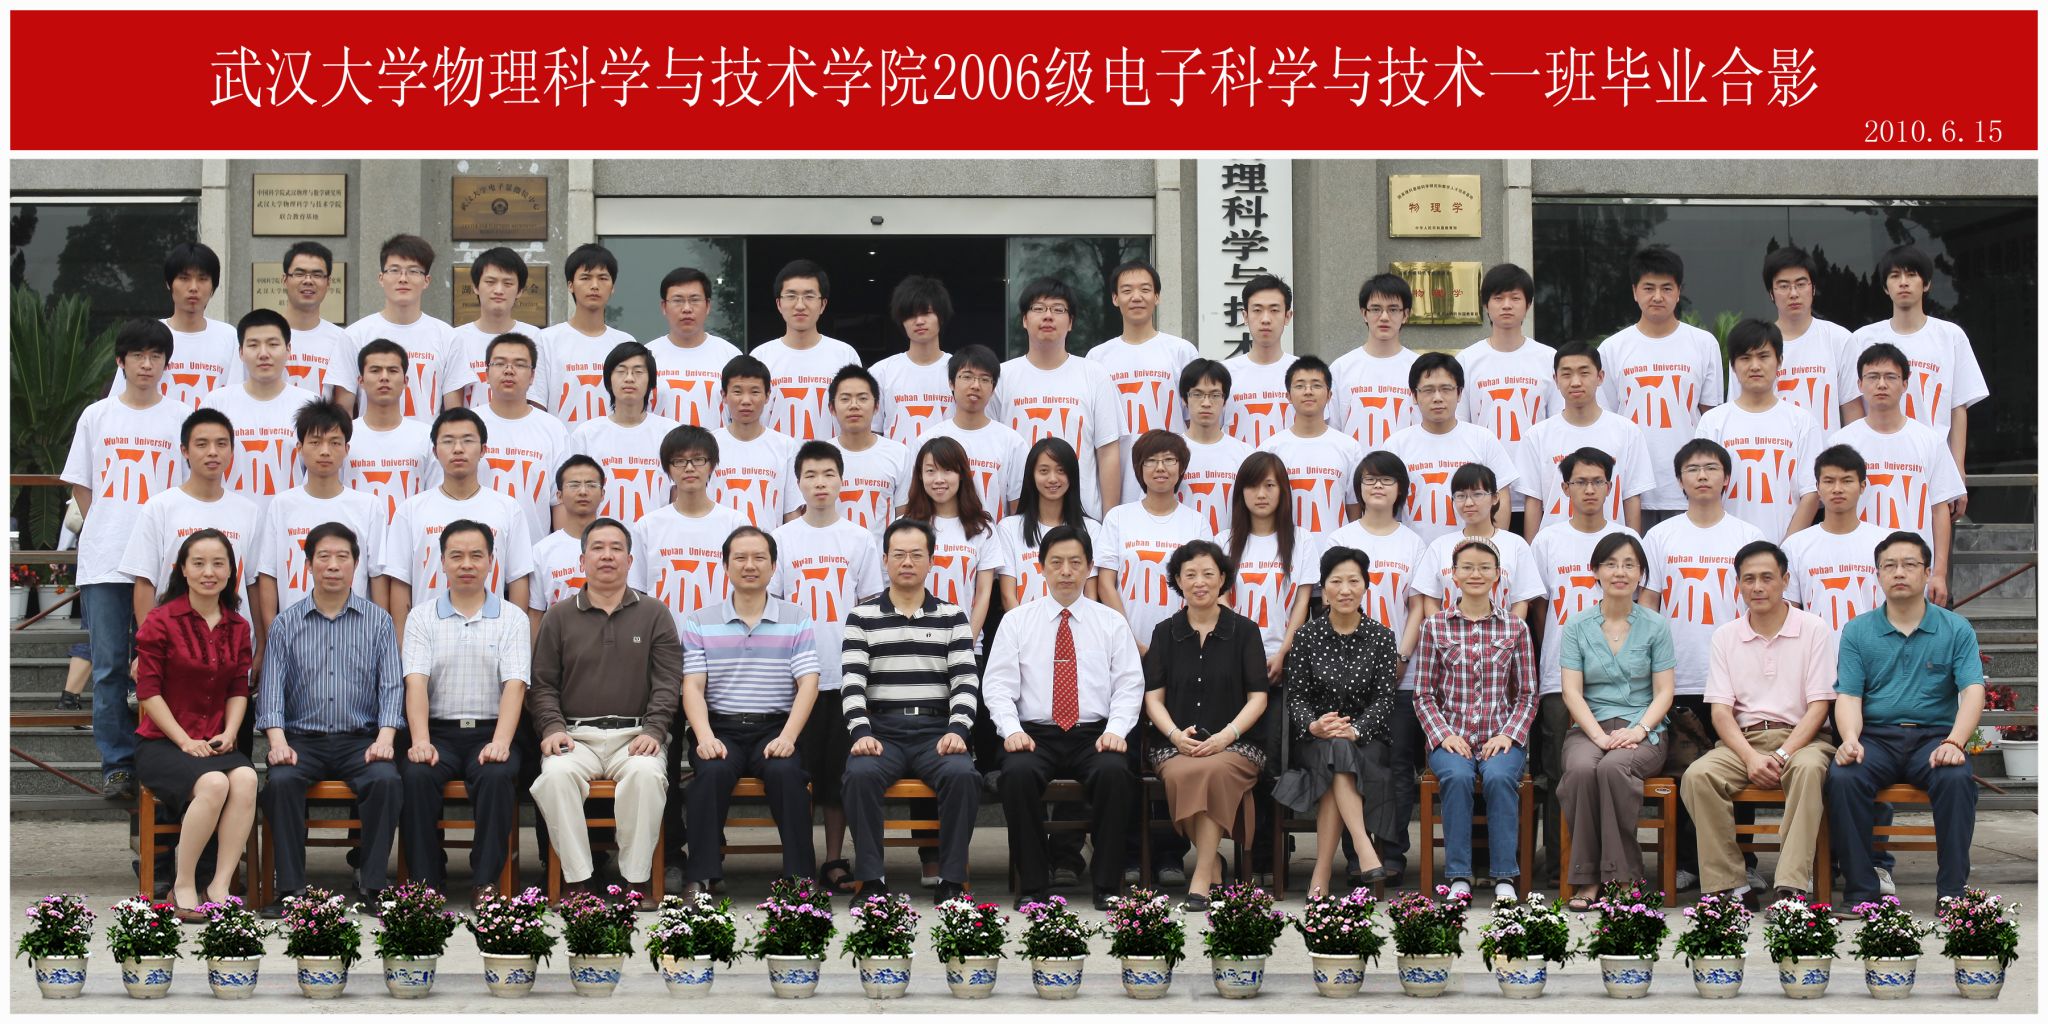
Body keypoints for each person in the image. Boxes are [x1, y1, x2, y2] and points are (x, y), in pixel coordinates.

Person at [1824, 530, 1984, 915]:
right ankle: (1861, 893)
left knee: (1957, 778)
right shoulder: (1858, 630)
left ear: (1927, 572)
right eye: (1890, 565)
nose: (1899, 572)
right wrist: (1850, 738)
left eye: (1910, 564)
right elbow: (1849, 695)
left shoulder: (1955, 628)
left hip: (1934, 739)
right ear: (1877, 574)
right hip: (1875, 739)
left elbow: (1972, 690)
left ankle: (1952, 893)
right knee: (1844, 777)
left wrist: (1955, 742)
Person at [984, 525, 1143, 910]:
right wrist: (1011, 730)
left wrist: (1117, 730)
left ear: (1089, 567)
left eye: (1075, 562)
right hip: (1034, 734)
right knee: (1016, 775)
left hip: (1094, 734)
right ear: (1041, 568)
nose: (1066, 571)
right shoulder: (1017, 621)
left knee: (1115, 773)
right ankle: (1034, 887)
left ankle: (1107, 886)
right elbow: (998, 685)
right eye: (1056, 562)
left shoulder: (1111, 622)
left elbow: (1129, 684)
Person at [63, 320, 189, 800]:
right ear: (121, 361)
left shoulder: (182, 416)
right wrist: (108, 525)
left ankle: (166, 757)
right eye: (137, 355)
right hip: (106, 560)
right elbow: (82, 484)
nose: (146, 364)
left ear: (166, 363)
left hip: (166, 566)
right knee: (110, 666)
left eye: (155, 356)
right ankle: (117, 765)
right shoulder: (97, 416)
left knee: (167, 665)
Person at [527, 517, 682, 903]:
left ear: (630, 560)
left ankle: (635, 881)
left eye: (616, 548)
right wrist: (552, 728)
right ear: (583, 561)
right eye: (597, 548)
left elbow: (667, 682)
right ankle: (579, 881)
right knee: (555, 777)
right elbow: (542, 684)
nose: (607, 556)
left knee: (647, 776)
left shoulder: (654, 613)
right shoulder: (559, 616)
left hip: (635, 735)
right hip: (575, 736)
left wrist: (654, 730)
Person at [255, 523, 405, 913]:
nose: (333, 565)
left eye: (342, 557)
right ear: (308, 565)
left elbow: (392, 686)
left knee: (386, 781)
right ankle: (291, 889)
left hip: (361, 740)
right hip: (302, 741)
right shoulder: (286, 623)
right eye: (324, 557)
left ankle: (373, 885)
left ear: (356, 565)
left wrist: (385, 738)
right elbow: (271, 691)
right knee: (280, 783)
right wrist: (277, 743)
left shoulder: (379, 622)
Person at [1681, 541, 1838, 907]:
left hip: (1802, 739)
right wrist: (1751, 757)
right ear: (1738, 584)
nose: (1758, 587)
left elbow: (1819, 707)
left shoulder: (1813, 629)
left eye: (1767, 577)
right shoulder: (1726, 636)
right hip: (1744, 741)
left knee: (1809, 770)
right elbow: (1721, 712)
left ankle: (1790, 887)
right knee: (1698, 776)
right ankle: (1730, 886)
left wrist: (1783, 754)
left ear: (1785, 580)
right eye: (1748, 579)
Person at [839, 518, 983, 904]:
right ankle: (871, 881)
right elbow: (852, 683)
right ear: (885, 560)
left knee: (963, 775)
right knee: (859, 776)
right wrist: (861, 732)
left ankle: (951, 881)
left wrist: (958, 730)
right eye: (899, 554)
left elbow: (966, 682)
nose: (907, 562)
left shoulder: (953, 616)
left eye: (916, 555)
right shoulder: (861, 617)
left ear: (931, 561)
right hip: (881, 730)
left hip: (936, 731)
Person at [679, 526, 821, 891]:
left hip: (774, 728)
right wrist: (704, 737)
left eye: (759, 558)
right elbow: (692, 686)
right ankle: (702, 877)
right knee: (710, 774)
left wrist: (788, 737)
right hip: (720, 728)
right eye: (740, 558)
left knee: (786, 773)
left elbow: (808, 683)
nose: (749, 565)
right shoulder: (700, 620)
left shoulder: (796, 617)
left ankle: (799, 878)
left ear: (773, 566)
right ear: (725, 566)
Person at [772, 442, 885, 895]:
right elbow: (774, 608)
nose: (820, 483)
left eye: (828, 474)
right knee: (799, 774)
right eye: (810, 475)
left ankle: (835, 859)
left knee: (839, 776)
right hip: (795, 679)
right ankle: (798, 861)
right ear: (798, 483)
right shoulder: (781, 539)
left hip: (845, 678)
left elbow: (871, 607)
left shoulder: (859, 538)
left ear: (842, 481)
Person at [398, 519, 530, 903]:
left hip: (490, 730)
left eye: (476, 555)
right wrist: (420, 741)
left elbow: (515, 684)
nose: (466, 564)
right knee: (416, 774)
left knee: (497, 774)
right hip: (437, 731)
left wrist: (501, 742)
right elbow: (415, 682)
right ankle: (426, 883)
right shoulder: (422, 617)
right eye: (456, 556)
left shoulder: (512, 618)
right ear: (442, 562)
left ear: (491, 561)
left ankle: (485, 881)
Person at [1526, 448, 1642, 879]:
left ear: (1610, 487)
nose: (1589, 489)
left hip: (1620, 680)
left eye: (1597, 481)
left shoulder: (1626, 538)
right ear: (1565, 488)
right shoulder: (1548, 540)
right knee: (1562, 771)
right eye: (1580, 482)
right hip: (1561, 675)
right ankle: (1563, 864)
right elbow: (1541, 609)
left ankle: (1608, 863)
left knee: (1610, 769)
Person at [132, 529, 258, 919]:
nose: (209, 572)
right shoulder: (160, 621)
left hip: (214, 741)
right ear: (182, 570)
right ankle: (182, 882)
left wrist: (231, 731)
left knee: (246, 778)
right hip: (162, 743)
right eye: (199, 563)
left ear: (231, 571)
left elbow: (238, 688)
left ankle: (219, 884)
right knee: (214, 783)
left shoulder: (238, 626)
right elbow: (147, 691)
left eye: (218, 564)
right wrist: (185, 740)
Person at [1141, 539, 1268, 910]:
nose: (1200, 582)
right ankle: (1213, 864)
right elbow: (1153, 699)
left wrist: (1227, 735)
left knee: (1211, 770)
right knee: (1185, 772)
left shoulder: (1245, 631)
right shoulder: (1165, 632)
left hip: (1237, 744)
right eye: (1191, 574)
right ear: (1178, 580)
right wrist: (1174, 735)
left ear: (1223, 579)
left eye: (1208, 574)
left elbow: (1258, 698)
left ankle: (1201, 875)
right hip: (1175, 744)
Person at [1322, 453, 1431, 882]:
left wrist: (1401, 657)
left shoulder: (1413, 543)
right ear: (1359, 489)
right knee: (1351, 763)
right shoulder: (1340, 538)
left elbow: (1418, 606)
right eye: (1370, 480)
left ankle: (1394, 853)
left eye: (1387, 480)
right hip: (1346, 676)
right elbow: (1327, 602)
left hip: (1401, 675)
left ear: (1401, 489)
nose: (1378, 487)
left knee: (1398, 766)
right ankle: (1357, 854)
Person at [1414, 537, 1539, 903]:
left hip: (1500, 737)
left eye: (1485, 568)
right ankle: (1458, 875)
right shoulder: (1435, 627)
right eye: (1467, 567)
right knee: (1456, 777)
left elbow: (1528, 694)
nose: (1475, 574)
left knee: (1499, 777)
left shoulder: (1515, 628)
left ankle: (1504, 876)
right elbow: (1423, 694)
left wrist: (1509, 735)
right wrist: (1443, 735)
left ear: (1498, 575)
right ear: (1453, 575)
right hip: (1450, 738)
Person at [1558, 532, 1676, 909]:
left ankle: (1622, 877)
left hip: (1644, 729)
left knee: (1613, 769)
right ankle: (1587, 878)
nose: (1620, 572)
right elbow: (1571, 692)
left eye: (1629, 565)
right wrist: (1598, 735)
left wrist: (1638, 730)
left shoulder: (1655, 625)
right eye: (1610, 564)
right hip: (1589, 728)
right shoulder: (1576, 625)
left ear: (1641, 573)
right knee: (1581, 770)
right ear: (1595, 571)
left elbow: (1664, 692)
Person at [1276, 545, 1399, 899]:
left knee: (1340, 754)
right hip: (1315, 740)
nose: (1345, 590)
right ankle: (1364, 848)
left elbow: (1384, 699)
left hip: (1367, 743)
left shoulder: (1381, 637)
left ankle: (1322, 871)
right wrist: (1313, 725)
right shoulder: (1306, 636)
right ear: (1324, 588)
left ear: (1366, 586)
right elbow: (1296, 697)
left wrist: (1356, 729)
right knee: (1334, 751)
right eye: (1336, 581)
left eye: (1353, 581)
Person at [118, 409, 262, 691]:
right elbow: (145, 582)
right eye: (202, 444)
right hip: (173, 647)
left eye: (221, 444)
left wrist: (261, 646)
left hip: (231, 651)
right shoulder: (160, 507)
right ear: (184, 450)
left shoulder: (249, 512)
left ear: (232, 451)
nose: (212, 452)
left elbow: (253, 583)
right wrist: (148, 647)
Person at [1842, 243, 1986, 513]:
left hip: (1932, 460)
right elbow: (1853, 404)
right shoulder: (1863, 338)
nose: (1903, 282)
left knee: (1931, 535)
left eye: (1911, 275)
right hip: (1875, 462)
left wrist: (1957, 470)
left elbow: (1958, 407)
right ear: (1885, 287)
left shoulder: (1950, 336)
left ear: (1926, 283)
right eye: (1895, 276)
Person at [1826, 342, 1965, 605]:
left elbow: (1939, 510)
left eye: (1890, 377)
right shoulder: (1841, 442)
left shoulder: (1929, 441)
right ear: (1860, 384)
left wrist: (1939, 573)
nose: (1881, 384)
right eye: (1873, 377)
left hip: (1913, 566)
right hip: (1858, 565)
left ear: (1905, 383)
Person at [380, 408, 536, 641]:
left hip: (492, 638)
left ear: (483, 449)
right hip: (427, 638)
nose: (458, 449)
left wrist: (513, 639)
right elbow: (401, 583)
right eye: (448, 441)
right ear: (435, 451)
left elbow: (518, 579)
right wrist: (404, 646)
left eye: (468, 440)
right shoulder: (411, 510)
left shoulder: (507, 508)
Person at [1597, 247, 1724, 527]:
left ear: (1679, 292)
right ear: (1634, 291)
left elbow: (1711, 416)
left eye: (1666, 288)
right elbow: (1605, 421)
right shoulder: (1613, 348)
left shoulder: (1703, 344)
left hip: (1687, 487)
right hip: (1631, 486)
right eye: (1648, 288)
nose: (1657, 297)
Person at [254, 401, 386, 644]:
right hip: (293, 636)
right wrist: (274, 638)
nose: (325, 451)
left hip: (354, 636)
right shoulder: (282, 504)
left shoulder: (368, 506)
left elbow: (376, 576)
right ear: (300, 448)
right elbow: (268, 574)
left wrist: (379, 637)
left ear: (346, 449)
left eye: (334, 443)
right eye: (315, 442)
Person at [994, 277, 1123, 517]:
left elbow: (1107, 452)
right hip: (1018, 517)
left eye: (1058, 309)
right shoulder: (1001, 377)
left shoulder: (1094, 375)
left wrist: (1109, 520)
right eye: (1038, 308)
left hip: (1082, 517)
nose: (1048, 316)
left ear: (1070, 322)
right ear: (1024, 320)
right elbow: (992, 448)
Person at [1694, 319, 1823, 541]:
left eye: (1763, 356)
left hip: (1784, 548)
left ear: (1779, 361)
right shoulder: (1712, 421)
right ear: (1733, 366)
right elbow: (1701, 488)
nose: (1755, 366)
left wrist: (1785, 550)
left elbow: (1811, 493)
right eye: (1745, 358)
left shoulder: (1802, 422)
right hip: (1726, 548)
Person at [1515, 341, 1652, 540]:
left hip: (1612, 547)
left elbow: (1632, 498)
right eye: (1566, 374)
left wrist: (1632, 547)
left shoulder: (1627, 432)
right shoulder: (1537, 436)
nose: (1575, 382)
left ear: (1600, 377)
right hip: (1556, 547)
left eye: (1584, 373)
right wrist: (1532, 551)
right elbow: (1533, 502)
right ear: (1555, 380)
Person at [1088, 258, 1198, 503]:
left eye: (1145, 289)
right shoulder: (1097, 357)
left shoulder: (1181, 351)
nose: (1136, 297)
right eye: (1127, 290)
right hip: (1118, 476)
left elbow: (1194, 419)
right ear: (1115, 298)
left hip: (1171, 477)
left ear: (1157, 297)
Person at [1384, 352, 1520, 543]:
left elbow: (1502, 498)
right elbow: (1385, 506)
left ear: (1459, 393)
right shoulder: (1396, 445)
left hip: (1474, 553)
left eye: (1446, 389)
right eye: (1428, 390)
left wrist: (1491, 547)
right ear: (1414, 395)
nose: (1437, 398)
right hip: (1416, 552)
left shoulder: (1483, 439)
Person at [1097, 429, 1210, 656]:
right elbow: (1105, 584)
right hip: (1124, 646)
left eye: (1169, 460)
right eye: (1151, 460)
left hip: (1183, 647)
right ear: (1139, 468)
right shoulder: (1118, 517)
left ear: (1181, 468)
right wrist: (1130, 640)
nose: (1160, 468)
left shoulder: (1196, 522)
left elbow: (1204, 585)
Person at [200, 308, 321, 518]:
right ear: (240, 352)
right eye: (253, 345)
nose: (263, 354)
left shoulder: (309, 403)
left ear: (288, 349)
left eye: (273, 344)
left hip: (292, 521)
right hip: (229, 521)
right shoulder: (216, 403)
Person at [639, 425, 749, 631]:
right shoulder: (647, 526)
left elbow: (748, 588)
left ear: (712, 465)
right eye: (679, 461)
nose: (689, 468)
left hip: (723, 639)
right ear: (668, 468)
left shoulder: (736, 523)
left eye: (698, 459)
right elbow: (638, 592)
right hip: (663, 641)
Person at [899, 344, 1026, 523]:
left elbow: (1017, 510)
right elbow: (914, 500)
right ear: (951, 383)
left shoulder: (1012, 443)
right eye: (967, 377)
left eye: (985, 379)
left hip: (993, 538)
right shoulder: (927, 440)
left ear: (993, 388)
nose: (975, 385)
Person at [904, 436, 1006, 645]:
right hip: (911, 645)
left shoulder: (982, 528)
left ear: (961, 475)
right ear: (920, 476)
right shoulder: (904, 526)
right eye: (930, 471)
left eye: (948, 470)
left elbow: (983, 593)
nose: (939, 479)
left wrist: (966, 644)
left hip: (965, 645)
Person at [567, 341, 682, 525]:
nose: (629, 378)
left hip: (655, 537)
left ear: (651, 381)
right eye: (621, 371)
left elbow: (678, 494)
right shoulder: (586, 434)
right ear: (608, 380)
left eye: (638, 372)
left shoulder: (671, 433)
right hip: (600, 538)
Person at [1220, 452, 1313, 678]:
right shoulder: (1223, 541)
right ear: (1241, 492)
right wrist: (1243, 651)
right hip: (1233, 656)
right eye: (1252, 486)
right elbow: (1220, 599)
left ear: (1283, 490)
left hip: (1285, 658)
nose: (1261, 494)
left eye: (1269, 485)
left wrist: (1283, 653)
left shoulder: (1302, 540)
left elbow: (1302, 602)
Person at [109, 243, 236, 408]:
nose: (193, 287)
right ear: (169, 283)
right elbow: (120, 402)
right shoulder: (146, 335)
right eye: (184, 278)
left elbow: (238, 398)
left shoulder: (230, 337)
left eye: (202, 279)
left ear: (213, 286)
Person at [471, 332, 572, 538]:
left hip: (535, 549)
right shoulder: (467, 425)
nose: (509, 370)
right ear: (486, 373)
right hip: (473, 550)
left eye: (519, 364)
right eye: (500, 363)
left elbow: (561, 502)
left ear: (533, 376)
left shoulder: (553, 429)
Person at [346, 233, 455, 422]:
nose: (403, 278)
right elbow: (344, 408)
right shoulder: (355, 335)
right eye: (394, 270)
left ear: (426, 280)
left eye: (413, 271)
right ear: (381, 278)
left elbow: (454, 411)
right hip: (369, 440)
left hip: (427, 439)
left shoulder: (447, 336)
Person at [1414, 463, 1544, 620]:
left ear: (1495, 498)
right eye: (1461, 496)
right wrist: (1444, 632)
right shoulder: (1439, 546)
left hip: (1502, 634)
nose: (1468, 503)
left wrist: (1508, 632)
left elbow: (1521, 602)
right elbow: (1431, 600)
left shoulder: (1516, 545)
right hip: (1448, 634)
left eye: (1477, 494)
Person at [1783, 445, 1890, 634]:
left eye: (1847, 481)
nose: (1837, 489)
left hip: (1875, 649)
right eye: (1829, 481)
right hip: (1816, 650)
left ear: (1862, 486)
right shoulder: (1795, 546)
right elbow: (1789, 613)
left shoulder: (1885, 542)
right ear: (1817, 487)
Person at [753, 259, 863, 440]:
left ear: (823, 304)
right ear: (779, 304)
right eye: (791, 296)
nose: (800, 305)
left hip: (831, 457)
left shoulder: (844, 354)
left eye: (809, 296)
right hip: (774, 457)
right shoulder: (760, 357)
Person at [531, 455, 652, 612]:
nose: (583, 491)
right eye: (574, 485)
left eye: (591, 485)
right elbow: (536, 613)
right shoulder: (542, 551)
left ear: (602, 494)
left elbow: (636, 604)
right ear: (559, 496)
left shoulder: (623, 546)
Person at [1259, 355, 1365, 534]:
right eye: (1300, 386)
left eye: (1316, 385)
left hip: (1335, 548)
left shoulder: (1349, 447)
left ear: (1329, 395)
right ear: (1288, 396)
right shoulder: (1270, 448)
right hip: (1285, 547)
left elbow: (1354, 507)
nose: (1308, 391)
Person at [1756, 245, 1856, 433]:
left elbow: (1853, 411)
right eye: (1783, 286)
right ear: (1771, 293)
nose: (1793, 293)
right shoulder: (1754, 346)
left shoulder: (1839, 339)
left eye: (1801, 284)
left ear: (1813, 288)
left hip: (1827, 451)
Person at [1456, 263, 1557, 450]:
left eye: (1515, 298)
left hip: (1536, 462)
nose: (1507, 305)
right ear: (1486, 305)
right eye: (1498, 298)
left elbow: (1558, 421)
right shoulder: (1466, 360)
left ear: (1528, 305)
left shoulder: (1549, 358)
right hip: (1483, 465)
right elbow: (1459, 424)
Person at [537, 243, 637, 427]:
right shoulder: (546, 340)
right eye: (585, 278)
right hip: (564, 443)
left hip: (613, 443)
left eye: (603, 278)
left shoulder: (625, 342)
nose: (594, 286)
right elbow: (537, 406)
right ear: (570, 285)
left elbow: (636, 404)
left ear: (612, 287)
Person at [996, 437, 1101, 608]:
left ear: (1072, 475)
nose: (1053, 479)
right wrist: (1022, 626)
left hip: (1075, 624)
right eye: (1044, 471)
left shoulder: (1092, 529)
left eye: (1061, 471)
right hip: (1024, 624)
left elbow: (1090, 594)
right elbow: (1008, 596)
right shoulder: (1009, 528)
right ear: (1031, 475)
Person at [344, 340, 440, 525]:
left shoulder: (427, 437)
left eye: (392, 370)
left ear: (405, 381)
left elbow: (437, 497)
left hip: (412, 537)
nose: (384, 377)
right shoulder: (342, 436)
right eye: (375, 370)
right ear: (361, 381)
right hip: (353, 538)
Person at [1328, 273, 1420, 448]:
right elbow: (1332, 431)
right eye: (1376, 309)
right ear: (1364, 313)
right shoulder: (1341, 368)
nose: (1384, 317)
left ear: (1405, 314)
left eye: (1393, 309)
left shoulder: (1420, 368)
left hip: (1406, 464)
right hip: (1356, 465)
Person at [643, 266, 742, 429]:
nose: (687, 309)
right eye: (678, 300)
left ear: (708, 305)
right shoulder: (646, 356)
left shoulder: (730, 356)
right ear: (664, 307)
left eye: (694, 300)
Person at [709, 354, 802, 528]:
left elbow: (792, 512)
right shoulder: (708, 445)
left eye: (755, 392)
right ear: (724, 395)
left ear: (767, 396)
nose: (746, 401)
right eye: (737, 392)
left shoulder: (786, 447)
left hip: (768, 544)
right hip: (718, 544)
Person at [443, 247, 542, 408]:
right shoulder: (456, 338)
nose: (499, 290)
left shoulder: (534, 337)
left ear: (520, 291)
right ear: (476, 287)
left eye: (508, 283)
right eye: (490, 282)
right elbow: (453, 404)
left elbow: (537, 398)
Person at [825, 364, 910, 539]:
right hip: (832, 555)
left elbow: (903, 515)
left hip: (882, 556)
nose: (854, 406)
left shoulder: (899, 454)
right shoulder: (820, 457)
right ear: (832, 408)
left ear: (877, 406)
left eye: (862, 398)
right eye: (845, 399)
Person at [870, 275, 957, 446]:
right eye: (910, 315)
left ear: (941, 316)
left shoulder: (960, 371)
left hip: (948, 462)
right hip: (897, 463)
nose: (919, 321)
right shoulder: (881, 372)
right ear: (901, 321)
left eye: (926, 313)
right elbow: (872, 431)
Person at [1177, 358, 1255, 535]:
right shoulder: (1169, 453)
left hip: (1231, 549)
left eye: (1214, 395)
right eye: (1197, 394)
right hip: (1183, 549)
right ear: (1184, 399)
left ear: (1225, 400)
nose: (1206, 403)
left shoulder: (1245, 454)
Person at [1221, 274, 1298, 448]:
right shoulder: (1224, 374)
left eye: (1274, 310)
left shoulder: (1304, 373)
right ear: (1245, 316)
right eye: (1257, 310)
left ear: (1288, 316)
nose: (1265, 319)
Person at [277, 240, 355, 405]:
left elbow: (343, 406)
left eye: (317, 275)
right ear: (284, 279)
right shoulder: (264, 334)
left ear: (328, 283)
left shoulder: (341, 339)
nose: (308, 281)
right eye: (299, 273)